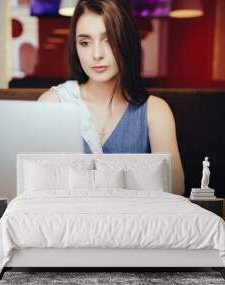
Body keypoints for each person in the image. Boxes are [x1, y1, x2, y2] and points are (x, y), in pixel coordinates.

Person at [38, 0, 184, 195]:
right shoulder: (54, 103)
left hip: (135, 222)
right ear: (75, 47)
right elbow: (33, 187)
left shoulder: (155, 111)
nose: (97, 54)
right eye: (85, 42)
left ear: (127, 41)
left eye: (108, 40)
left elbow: (174, 190)